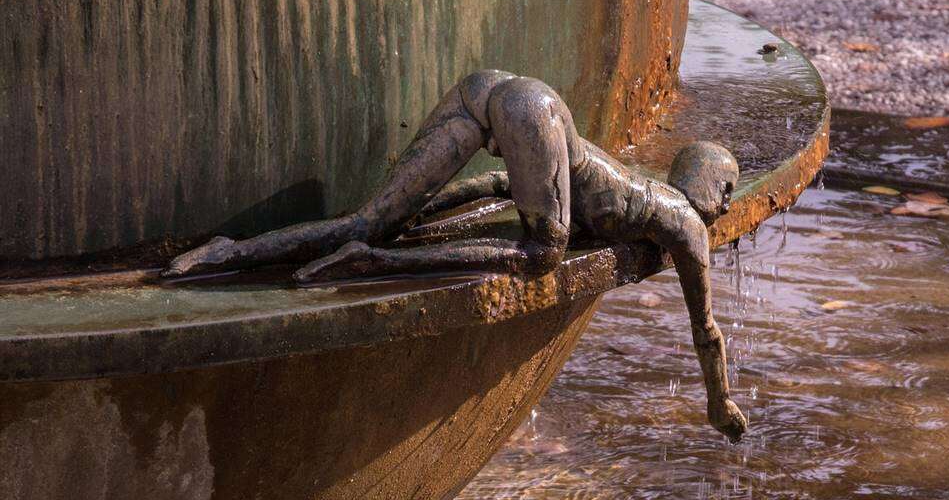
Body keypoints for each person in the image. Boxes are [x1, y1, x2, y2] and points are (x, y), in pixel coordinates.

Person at [164, 73, 746, 442]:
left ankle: (228, 252)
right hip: (537, 112)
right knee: (544, 251)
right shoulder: (686, 225)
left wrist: (423, 209)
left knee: (371, 217)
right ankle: (372, 262)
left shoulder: (636, 182)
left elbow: (497, 183)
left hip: (491, 88)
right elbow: (708, 331)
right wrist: (721, 405)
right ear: (718, 194)